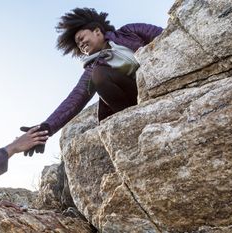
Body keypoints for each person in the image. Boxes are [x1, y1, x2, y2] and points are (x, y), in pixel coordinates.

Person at [20, 8, 163, 156]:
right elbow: (76, 98)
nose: (81, 45)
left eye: (81, 38)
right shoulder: (93, 68)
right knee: (99, 75)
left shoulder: (130, 31)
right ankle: (132, 120)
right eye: (78, 44)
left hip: (157, 79)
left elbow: (164, 35)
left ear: (97, 31)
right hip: (133, 100)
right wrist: (46, 128)